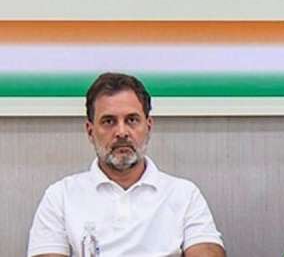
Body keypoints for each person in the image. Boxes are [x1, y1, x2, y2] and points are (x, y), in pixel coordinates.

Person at [27, 72, 225, 257]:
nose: (121, 132)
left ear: (148, 126)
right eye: (109, 121)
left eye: (131, 120)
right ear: (90, 131)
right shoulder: (60, 196)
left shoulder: (184, 194)